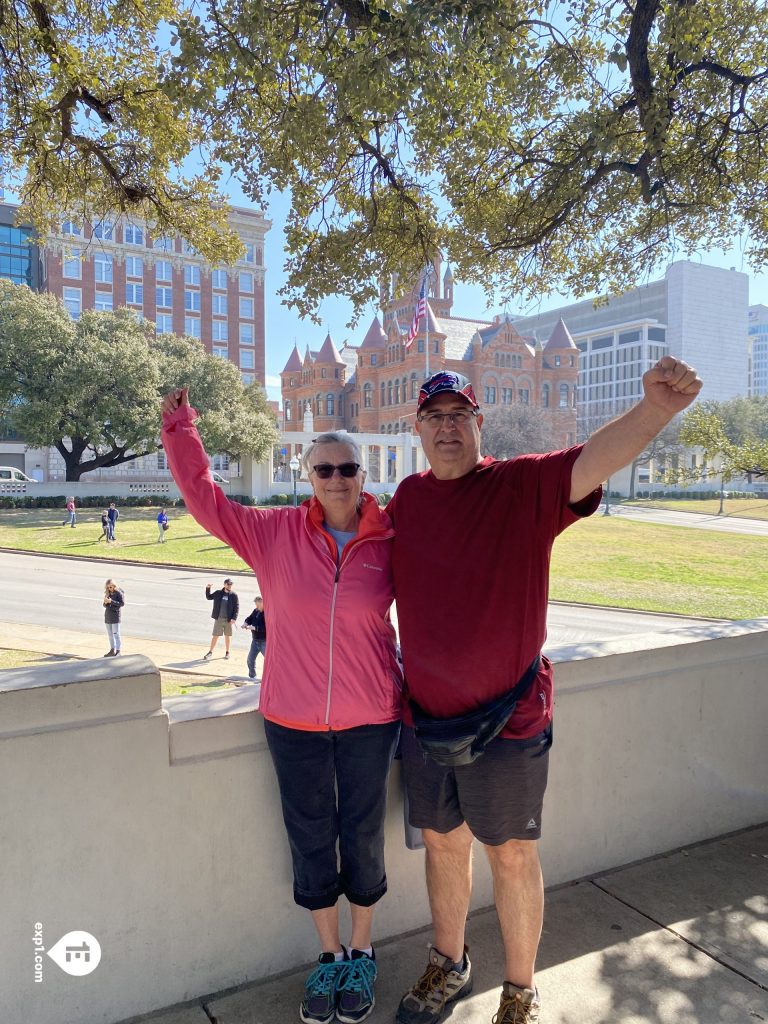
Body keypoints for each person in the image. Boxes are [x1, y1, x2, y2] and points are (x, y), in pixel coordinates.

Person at [388, 361, 703, 1024]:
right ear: (417, 428)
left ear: (480, 423)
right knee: (444, 845)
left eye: (459, 416)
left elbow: (592, 460)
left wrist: (655, 411)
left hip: (509, 721)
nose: (447, 428)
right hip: (426, 723)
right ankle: (449, 962)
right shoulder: (408, 502)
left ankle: (520, 990)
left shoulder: (520, 484)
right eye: (434, 418)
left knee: (511, 854)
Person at [161, 389, 401, 1024]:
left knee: (364, 835)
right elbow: (206, 499)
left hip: (371, 718)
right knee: (311, 835)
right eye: (323, 468)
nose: (337, 478)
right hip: (292, 719)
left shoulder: (391, 540)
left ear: (363, 473)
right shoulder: (272, 535)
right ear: (308, 476)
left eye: (348, 467)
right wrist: (180, 426)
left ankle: (362, 948)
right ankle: (328, 958)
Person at [203, 579, 239, 660]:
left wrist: (234, 618)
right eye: (228, 584)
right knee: (215, 636)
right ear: (224, 584)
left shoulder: (234, 595)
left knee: (227, 636)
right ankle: (210, 652)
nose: (230, 586)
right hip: (218, 619)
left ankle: (227, 652)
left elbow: (236, 608)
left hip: (228, 620)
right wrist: (208, 588)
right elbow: (209, 597)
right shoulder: (218, 593)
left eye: (231, 584)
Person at [242, 595, 267, 679]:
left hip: (264, 642)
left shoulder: (268, 613)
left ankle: (270, 678)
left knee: (269, 661)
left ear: (263, 603)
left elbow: (267, 628)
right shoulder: (256, 611)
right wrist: (246, 623)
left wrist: (255, 628)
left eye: (258, 605)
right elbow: (249, 618)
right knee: (250, 660)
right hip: (255, 641)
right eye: (256, 604)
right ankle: (252, 676)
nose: (256, 607)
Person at [103, 579, 124, 657]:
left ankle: (118, 651)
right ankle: (112, 649)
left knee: (116, 634)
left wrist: (111, 601)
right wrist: (106, 602)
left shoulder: (119, 593)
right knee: (110, 635)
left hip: (115, 616)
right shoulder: (108, 593)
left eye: (111, 587)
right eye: (108, 587)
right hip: (108, 616)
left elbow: (122, 603)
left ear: (114, 586)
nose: (109, 589)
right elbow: (104, 605)